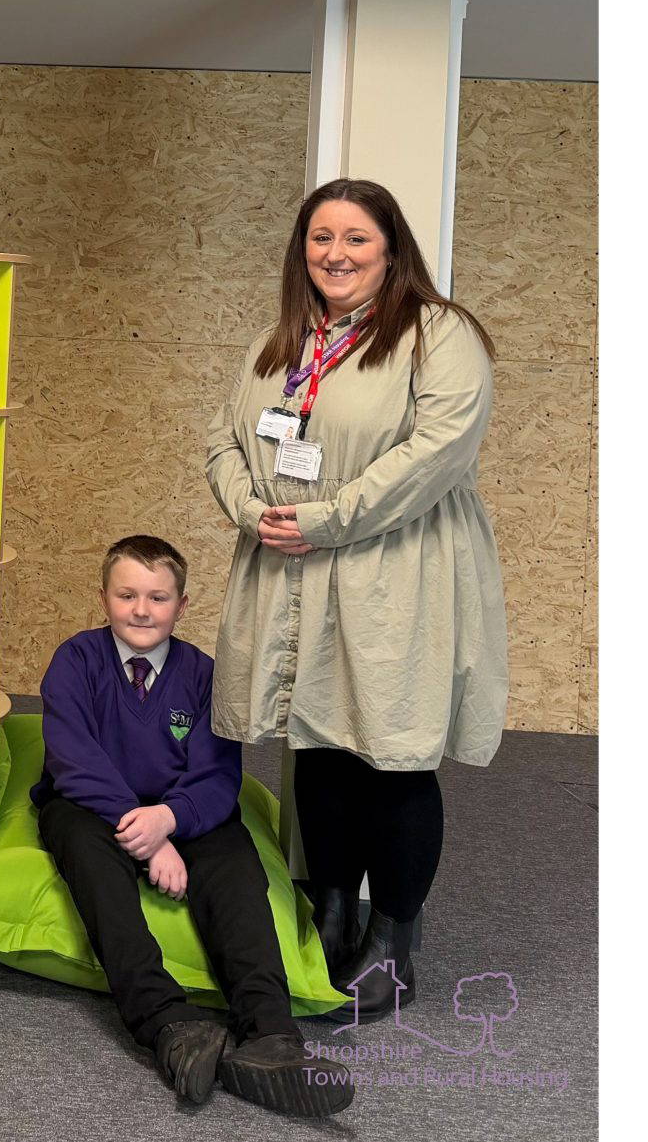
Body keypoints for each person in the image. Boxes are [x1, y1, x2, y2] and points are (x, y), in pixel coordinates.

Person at [205, 177, 507, 1019]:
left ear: (391, 249)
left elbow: (436, 454)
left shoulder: (438, 336)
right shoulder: (287, 340)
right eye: (319, 239)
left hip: (392, 566)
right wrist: (251, 507)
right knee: (321, 742)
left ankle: (395, 941)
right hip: (294, 562)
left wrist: (326, 518)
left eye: (356, 240)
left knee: (393, 750)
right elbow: (223, 441)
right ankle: (332, 911)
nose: (334, 254)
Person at [30, 537, 352, 1116]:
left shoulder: (203, 674)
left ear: (181, 605)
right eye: (127, 594)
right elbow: (74, 762)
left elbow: (216, 775)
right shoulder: (75, 661)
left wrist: (170, 822)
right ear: (103, 597)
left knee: (237, 871)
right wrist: (149, 840)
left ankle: (272, 1036)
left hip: (180, 808)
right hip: (91, 808)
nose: (141, 610)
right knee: (96, 872)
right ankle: (168, 1024)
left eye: (158, 597)